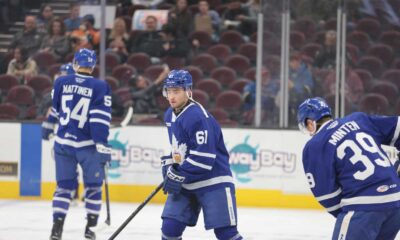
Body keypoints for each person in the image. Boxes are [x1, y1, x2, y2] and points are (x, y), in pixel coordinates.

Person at [297, 97, 400, 240]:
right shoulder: (358, 119)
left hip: (363, 207)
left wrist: (348, 213)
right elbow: (398, 126)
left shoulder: (315, 145)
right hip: (396, 202)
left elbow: (326, 195)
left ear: (310, 123)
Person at [160, 70, 243, 240]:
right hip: (188, 180)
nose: (171, 96)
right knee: (170, 228)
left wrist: (178, 173)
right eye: (168, 91)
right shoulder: (169, 115)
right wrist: (170, 164)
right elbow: (180, 148)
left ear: (188, 91)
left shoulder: (197, 116)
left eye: (176, 91)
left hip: (214, 180)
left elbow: (204, 158)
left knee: (225, 233)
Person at [42, 48, 112, 240]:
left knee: (63, 187)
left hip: (63, 144)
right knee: (93, 187)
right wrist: (102, 144)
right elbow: (99, 120)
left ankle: (56, 229)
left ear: (75, 63)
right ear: (93, 65)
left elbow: (55, 110)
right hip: (87, 146)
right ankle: (90, 229)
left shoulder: (61, 81)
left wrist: (48, 126)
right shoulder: (100, 86)